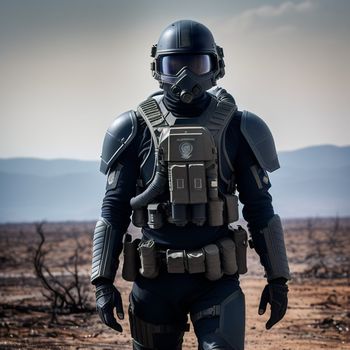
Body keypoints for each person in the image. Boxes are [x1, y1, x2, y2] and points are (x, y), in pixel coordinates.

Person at [91, 20, 290, 350]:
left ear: (216, 67)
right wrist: (102, 282)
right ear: (158, 68)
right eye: (175, 64)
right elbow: (113, 210)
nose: (186, 76)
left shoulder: (238, 126)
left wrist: (278, 279)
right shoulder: (134, 128)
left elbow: (260, 209)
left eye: (197, 64)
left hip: (215, 281)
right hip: (154, 281)